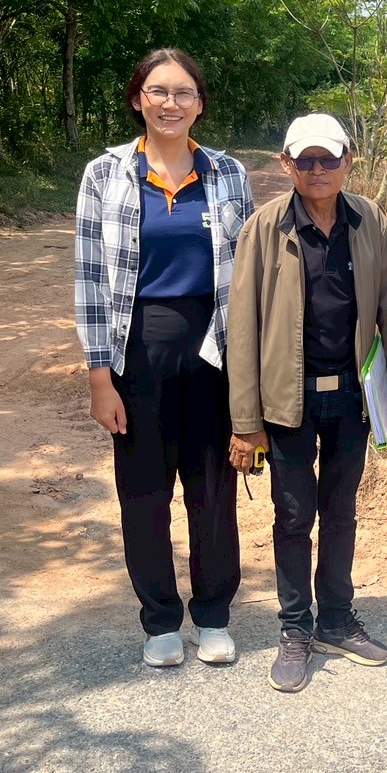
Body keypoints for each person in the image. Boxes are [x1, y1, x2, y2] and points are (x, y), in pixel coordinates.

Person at [75, 48, 252, 668]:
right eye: (158, 91)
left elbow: (247, 278)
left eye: (182, 93)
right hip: (137, 347)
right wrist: (102, 379)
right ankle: (158, 620)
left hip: (213, 347)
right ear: (137, 100)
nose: (170, 103)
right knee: (144, 490)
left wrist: (248, 374)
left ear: (200, 104)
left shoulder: (227, 174)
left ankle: (212, 615)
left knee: (213, 488)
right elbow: (92, 280)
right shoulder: (104, 175)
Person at [226, 114, 387, 694]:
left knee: (343, 511)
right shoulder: (264, 228)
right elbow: (243, 326)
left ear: (349, 160)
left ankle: (335, 619)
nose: (319, 170)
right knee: (294, 515)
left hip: (352, 396)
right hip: (287, 401)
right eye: (307, 160)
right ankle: (295, 627)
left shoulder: (369, 219)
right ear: (288, 165)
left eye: (329, 159)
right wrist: (245, 422)